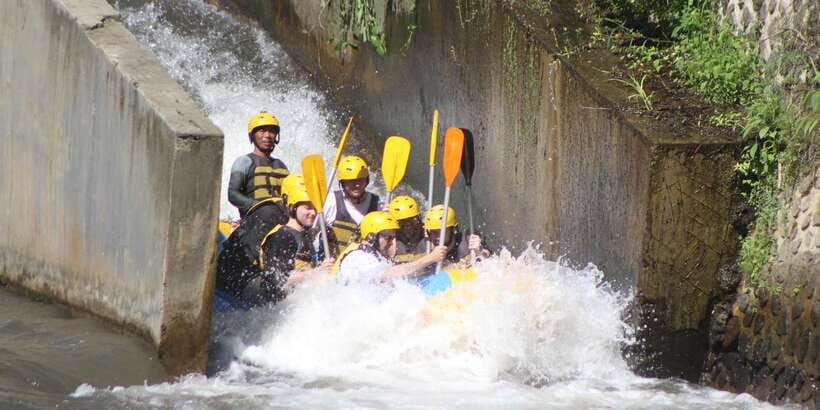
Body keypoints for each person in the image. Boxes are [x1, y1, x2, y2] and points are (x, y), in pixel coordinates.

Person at [215, 174, 331, 308]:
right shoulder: (278, 227)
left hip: (261, 278)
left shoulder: (299, 230)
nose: (313, 212)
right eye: (307, 207)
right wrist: (313, 274)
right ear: (292, 205)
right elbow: (277, 278)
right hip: (239, 281)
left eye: (314, 207)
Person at [332, 211, 447, 285]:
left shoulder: (377, 257)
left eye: (394, 237)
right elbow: (388, 275)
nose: (393, 243)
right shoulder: (358, 257)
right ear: (371, 237)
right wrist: (430, 258)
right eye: (388, 238)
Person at [228, 112, 290, 218]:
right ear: (252, 135)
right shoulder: (244, 161)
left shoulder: (281, 165)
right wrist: (257, 207)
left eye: (272, 131)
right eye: (262, 131)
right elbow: (233, 194)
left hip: (280, 221)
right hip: (254, 221)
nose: (267, 135)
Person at [323, 155, 381, 252]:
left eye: (360, 179)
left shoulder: (377, 205)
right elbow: (314, 234)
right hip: (335, 261)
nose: (357, 184)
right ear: (343, 183)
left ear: (366, 181)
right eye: (351, 181)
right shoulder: (331, 201)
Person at [423, 205, 488, 263]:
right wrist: (429, 258)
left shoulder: (468, 241)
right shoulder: (425, 246)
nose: (437, 236)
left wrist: (480, 252)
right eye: (433, 232)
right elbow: (412, 268)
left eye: (441, 231)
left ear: (453, 229)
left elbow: (492, 262)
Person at [387, 195, 426, 263]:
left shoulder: (427, 231)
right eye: (402, 220)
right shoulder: (388, 237)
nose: (408, 223)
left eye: (411, 218)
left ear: (417, 217)